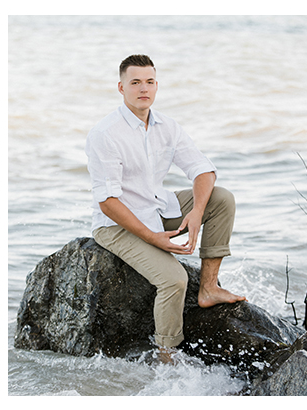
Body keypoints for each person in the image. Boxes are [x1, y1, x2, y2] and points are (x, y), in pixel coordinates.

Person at [85, 54, 245, 362]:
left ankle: (209, 287)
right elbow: (107, 202)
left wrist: (197, 211)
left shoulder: (166, 126)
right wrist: (151, 237)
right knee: (174, 280)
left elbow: (203, 170)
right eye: (135, 82)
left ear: (157, 86)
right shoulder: (105, 134)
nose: (143, 88)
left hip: (157, 204)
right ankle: (166, 355)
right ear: (121, 87)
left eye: (149, 82)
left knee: (221, 197)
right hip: (115, 224)